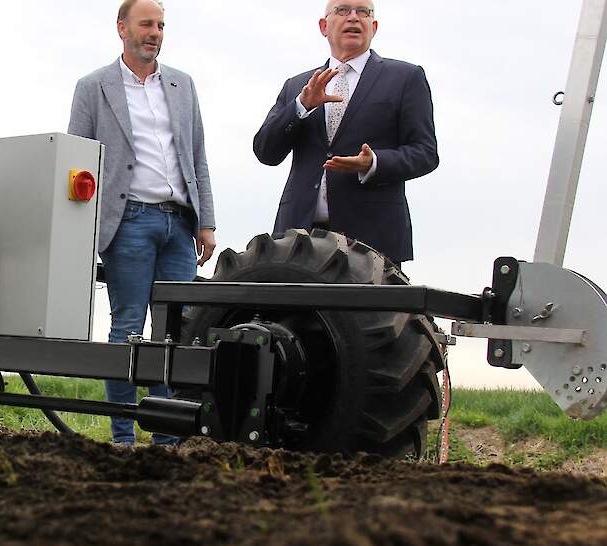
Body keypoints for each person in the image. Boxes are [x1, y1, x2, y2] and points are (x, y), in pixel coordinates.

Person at [68, 0, 216, 446]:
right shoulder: (94, 87)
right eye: (147, 24)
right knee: (128, 327)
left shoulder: (182, 84)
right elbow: (77, 160)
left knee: (177, 333)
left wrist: (205, 221)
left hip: (179, 225)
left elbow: (197, 156)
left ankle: (168, 439)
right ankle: (122, 436)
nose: (155, 32)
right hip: (128, 220)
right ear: (122, 29)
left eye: (161, 25)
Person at [253, 1, 438, 265]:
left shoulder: (406, 78)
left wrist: (373, 163)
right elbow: (266, 151)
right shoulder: (297, 85)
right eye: (342, 10)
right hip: (299, 238)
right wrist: (301, 106)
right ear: (323, 26)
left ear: (373, 26)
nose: (353, 17)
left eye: (362, 12)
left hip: (372, 240)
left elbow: (426, 153)